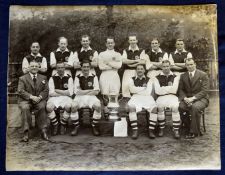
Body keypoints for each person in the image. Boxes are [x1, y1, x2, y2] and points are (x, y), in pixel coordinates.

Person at [17, 60, 49, 142]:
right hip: (26, 100)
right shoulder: (22, 78)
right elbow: (20, 91)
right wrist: (31, 97)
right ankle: (26, 132)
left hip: (39, 99)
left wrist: (40, 97)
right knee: (25, 108)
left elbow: (46, 90)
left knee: (42, 106)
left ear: (39, 68)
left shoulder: (43, 78)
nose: (34, 67)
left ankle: (43, 130)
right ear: (28, 68)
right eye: (32, 66)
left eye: (36, 66)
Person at [179, 58, 209, 139]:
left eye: (191, 64)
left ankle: (194, 132)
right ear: (185, 66)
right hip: (187, 99)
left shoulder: (203, 75)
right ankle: (189, 127)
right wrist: (185, 98)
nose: (190, 66)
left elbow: (204, 91)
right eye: (188, 65)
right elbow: (181, 89)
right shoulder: (183, 76)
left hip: (201, 99)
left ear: (195, 64)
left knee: (194, 107)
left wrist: (192, 99)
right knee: (181, 107)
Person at [71, 61, 101, 136]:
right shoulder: (77, 77)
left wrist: (83, 91)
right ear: (81, 68)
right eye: (84, 67)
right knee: (73, 106)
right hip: (79, 97)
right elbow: (76, 92)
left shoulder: (94, 76)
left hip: (91, 97)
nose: (86, 68)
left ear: (90, 68)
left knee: (98, 106)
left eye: (87, 67)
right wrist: (90, 90)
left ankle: (94, 126)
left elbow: (96, 91)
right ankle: (76, 127)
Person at [127, 64, 158, 139]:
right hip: (135, 98)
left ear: (144, 70)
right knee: (131, 107)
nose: (140, 70)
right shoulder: (131, 79)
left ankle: (151, 130)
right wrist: (143, 88)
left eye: (141, 69)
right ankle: (135, 131)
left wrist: (137, 89)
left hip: (147, 97)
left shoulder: (149, 79)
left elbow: (148, 92)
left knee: (154, 108)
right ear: (136, 70)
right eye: (138, 69)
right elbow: (131, 90)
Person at [154, 60, 180, 139]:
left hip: (173, 96)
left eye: (167, 66)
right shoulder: (156, 77)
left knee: (175, 107)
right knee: (160, 107)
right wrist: (169, 88)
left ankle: (176, 130)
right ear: (161, 67)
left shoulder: (176, 76)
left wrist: (163, 88)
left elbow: (174, 90)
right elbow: (157, 91)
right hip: (161, 97)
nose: (166, 68)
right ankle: (161, 128)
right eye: (164, 66)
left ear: (170, 66)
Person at [46, 62, 73, 135]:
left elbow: (70, 93)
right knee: (48, 107)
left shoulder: (69, 78)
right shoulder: (52, 78)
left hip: (66, 98)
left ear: (64, 68)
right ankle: (55, 124)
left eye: (62, 67)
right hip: (54, 98)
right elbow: (51, 93)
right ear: (56, 69)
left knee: (69, 107)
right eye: (58, 68)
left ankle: (63, 124)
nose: (60, 69)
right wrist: (64, 92)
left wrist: (57, 90)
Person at [121, 34, 149, 98]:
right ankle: (127, 100)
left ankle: (137, 99)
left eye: (134, 40)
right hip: (127, 71)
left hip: (137, 71)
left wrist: (131, 64)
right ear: (129, 41)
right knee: (126, 87)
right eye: (131, 40)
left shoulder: (141, 50)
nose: (132, 41)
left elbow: (143, 61)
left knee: (136, 86)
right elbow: (124, 61)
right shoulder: (125, 50)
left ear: (136, 41)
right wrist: (136, 61)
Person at [98, 37, 122, 105]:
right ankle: (106, 113)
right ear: (106, 44)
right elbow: (101, 67)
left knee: (114, 95)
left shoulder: (118, 54)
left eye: (111, 43)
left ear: (114, 44)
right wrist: (113, 65)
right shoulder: (102, 54)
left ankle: (114, 112)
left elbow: (119, 66)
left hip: (114, 75)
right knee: (105, 96)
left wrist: (108, 63)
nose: (110, 44)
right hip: (104, 75)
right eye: (108, 43)